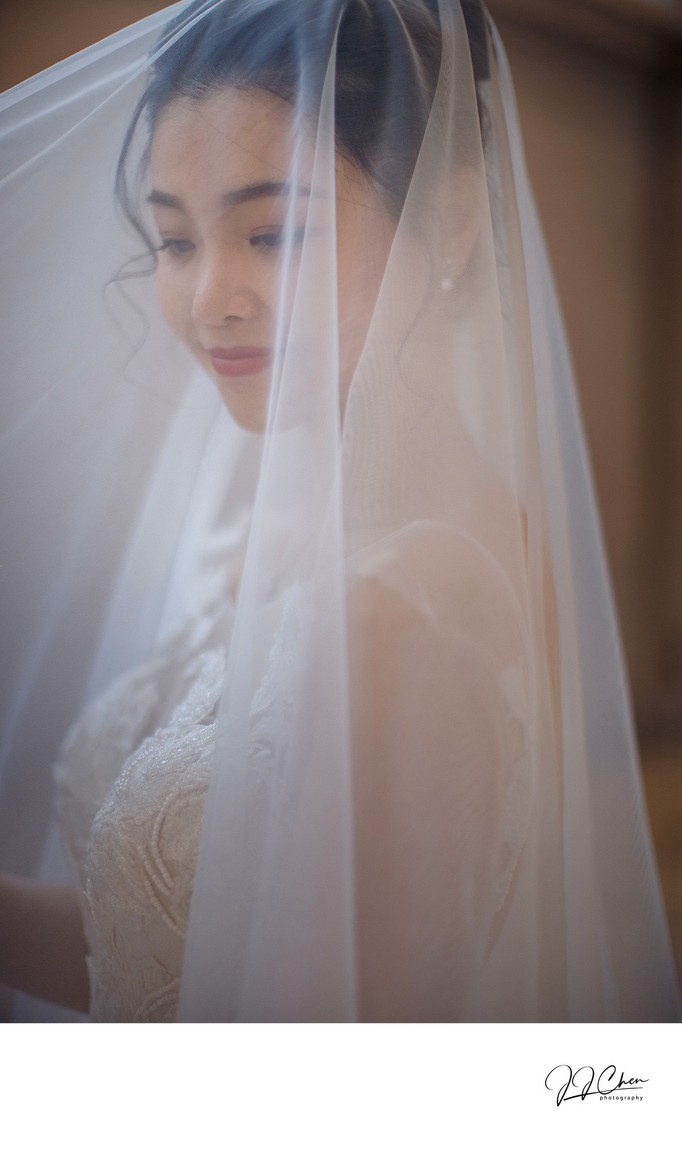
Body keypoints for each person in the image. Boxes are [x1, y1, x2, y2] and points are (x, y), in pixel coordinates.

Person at [0, 0, 679, 1023]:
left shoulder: (403, 614)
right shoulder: (272, 524)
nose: (210, 297)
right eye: (175, 239)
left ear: (448, 222)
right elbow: (157, 956)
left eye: (273, 232)